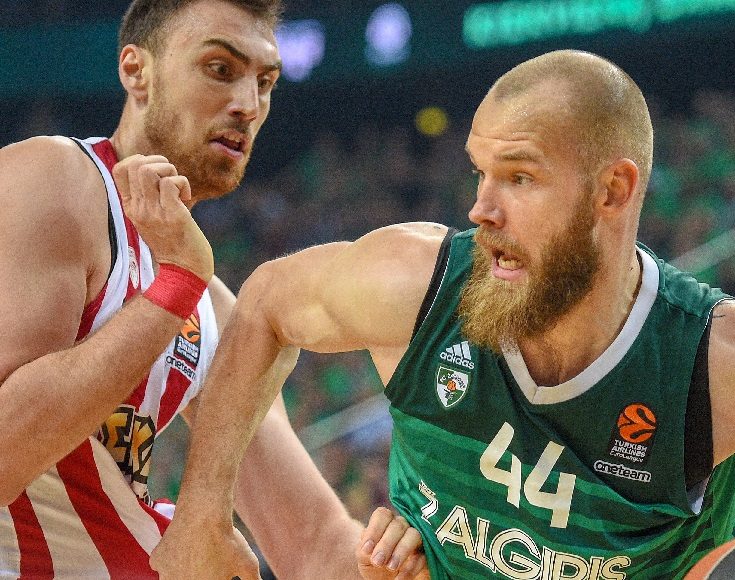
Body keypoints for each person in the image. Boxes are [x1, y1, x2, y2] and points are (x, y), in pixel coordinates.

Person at [152, 50, 735, 578]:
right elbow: (266, 302)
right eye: (480, 172)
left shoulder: (719, 363)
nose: (482, 208)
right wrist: (200, 516)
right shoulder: (419, 285)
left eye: (520, 177)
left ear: (612, 191)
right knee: (221, 315)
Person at [0, 0, 424, 577]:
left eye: (265, 82)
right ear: (137, 71)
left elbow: (311, 542)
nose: (248, 105)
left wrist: (394, 563)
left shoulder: (212, 306)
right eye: (221, 69)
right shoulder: (51, 179)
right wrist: (174, 286)